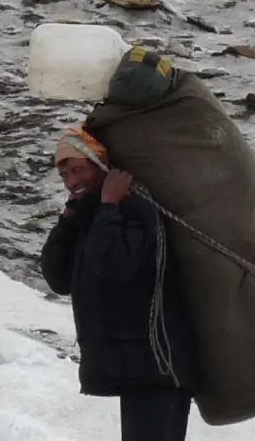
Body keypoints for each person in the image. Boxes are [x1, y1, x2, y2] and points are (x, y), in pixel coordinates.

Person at [42, 128, 199, 441]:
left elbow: (115, 269)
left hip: (157, 364)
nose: (72, 181)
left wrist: (111, 204)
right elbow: (58, 278)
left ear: (101, 165)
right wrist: (69, 217)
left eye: (78, 169)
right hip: (135, 366)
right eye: (64, 175)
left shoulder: (135, 206)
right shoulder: (92, 216)